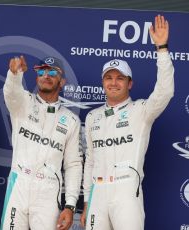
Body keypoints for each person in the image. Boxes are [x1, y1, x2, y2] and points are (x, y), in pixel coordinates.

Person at [80, 15, 174, 230]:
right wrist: (87, 202)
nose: (113, 82)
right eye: (109, 77)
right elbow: (90, 162)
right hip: (98, 193)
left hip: (126, 191)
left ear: (130, 83)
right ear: (103, 82)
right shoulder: (93, 116)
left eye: (120, 78)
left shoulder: (141, 111)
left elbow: (165, 91)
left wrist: (162, 49)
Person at [0, 55, 83, 230]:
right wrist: (15, 74)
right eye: (42, 71)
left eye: (53, 72)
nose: (47, 75)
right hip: (19, 185)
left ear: (62, 82)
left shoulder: (71, 120)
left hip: (48, 191)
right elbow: (11, 92)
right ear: (37, 76)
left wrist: (70, 205)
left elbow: (73, 165)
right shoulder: (23, 102)